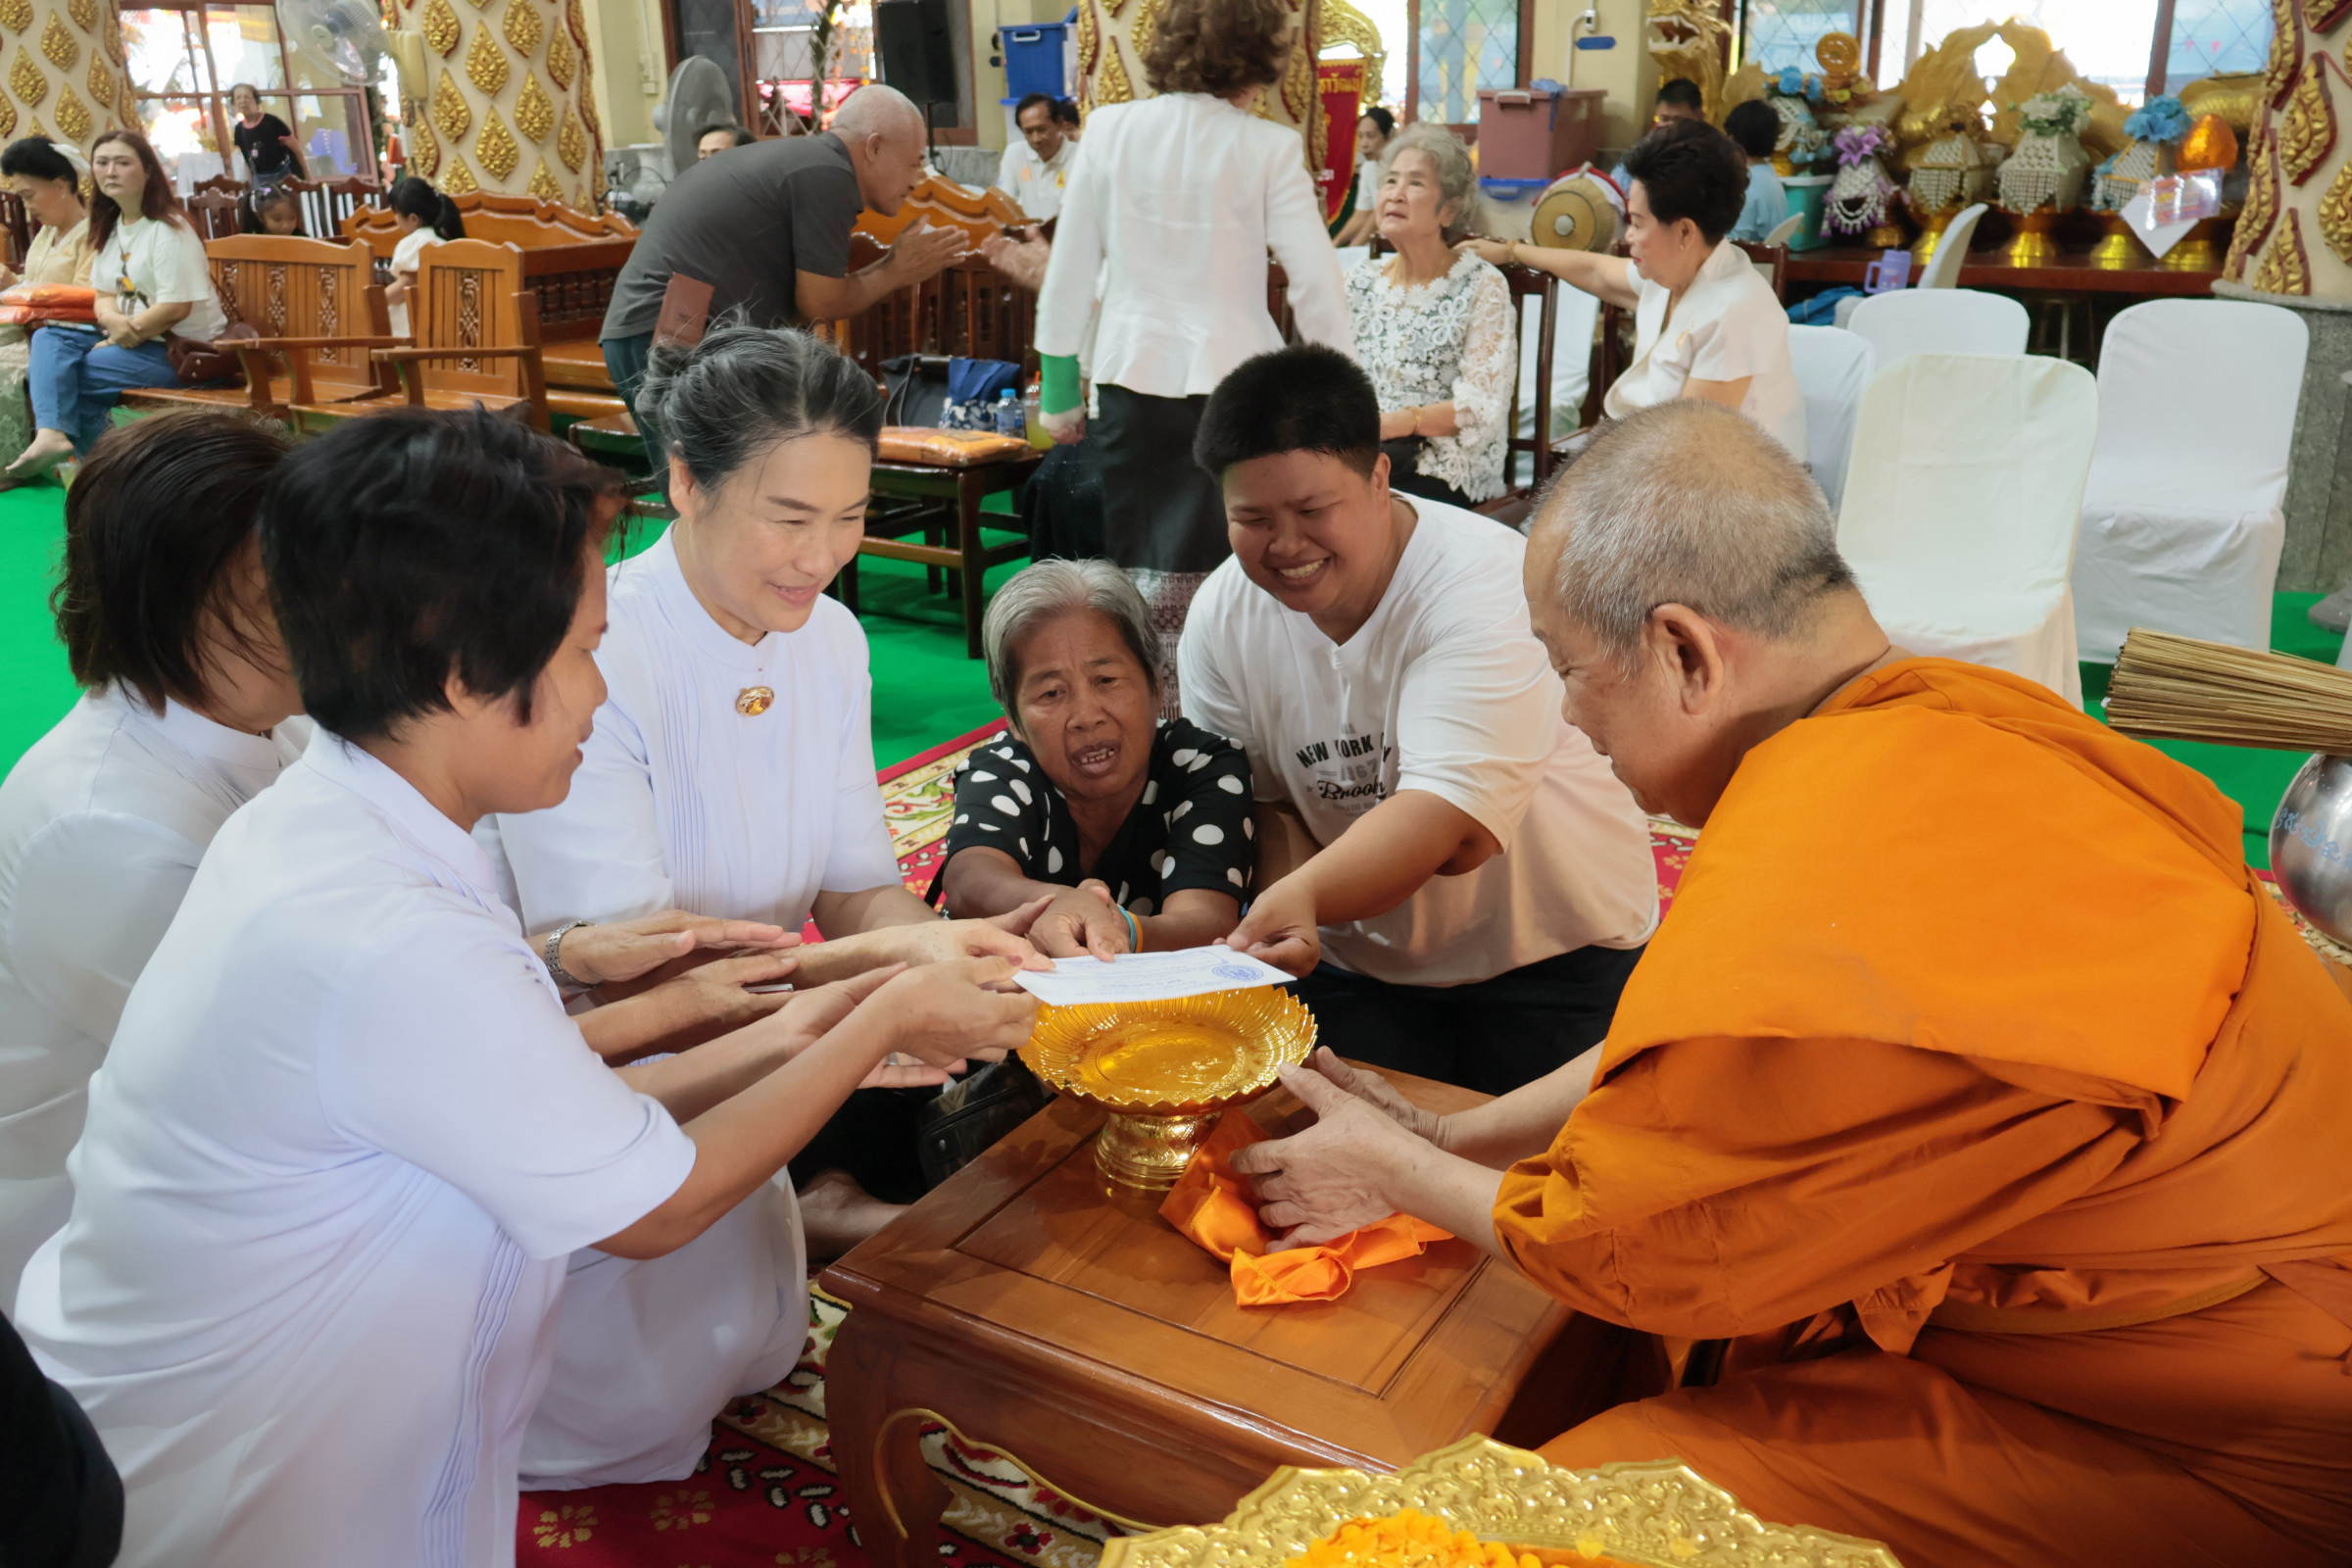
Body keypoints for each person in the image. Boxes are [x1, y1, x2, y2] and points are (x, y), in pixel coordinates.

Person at [1220, 398, 2352, 1568]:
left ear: (1684, 653)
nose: (1568, 713)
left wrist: (1395, 1169)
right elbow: (1721, 1028)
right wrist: (1455, 1132)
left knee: (1520, 1529)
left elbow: (1639, 1247)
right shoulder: (1953, 713)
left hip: (2218, 1422)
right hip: (2165, 1322)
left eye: (1570, 671)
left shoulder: (1830, 823)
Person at [15, 407, 1039, 1568]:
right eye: (584, 652)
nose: (602, 694)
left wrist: (823, 1010)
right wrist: (878, 1023)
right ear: (465, 674)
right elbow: (655, 1202)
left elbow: (537, 1084)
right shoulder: (385, 927)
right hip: (245, 1476)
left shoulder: (343, 813)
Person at [490, 322, 1048, 1264]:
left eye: (849, 516)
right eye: (788, 518)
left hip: (785, 1025)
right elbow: (649, 971)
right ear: (686, 481)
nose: (819, 555)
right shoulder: (595, 653)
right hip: (631, 1079)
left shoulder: (829, 639)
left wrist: (951, 958)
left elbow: (854, 886)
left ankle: (823, 1200)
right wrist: (888, 993)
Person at [1179, 345, 1656, 1093]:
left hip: (1556, 958)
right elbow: (1267, 799)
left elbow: (1453, 829)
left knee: (1541, 1190)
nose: (1286, 545)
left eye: (1312, 510)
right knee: (1338, 1177)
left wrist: (1303, 898)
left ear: (1377, 479)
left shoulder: (1488, 582)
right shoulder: (1222, 617)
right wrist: (1288, 918)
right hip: (1362, 967)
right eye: (1252, 518)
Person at [1035, 0, 1351, 699]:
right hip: (1236, 385)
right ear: (1259, 60)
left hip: (1129, 376)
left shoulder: (1110, 130)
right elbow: (1317, 283)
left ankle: (1155, 719)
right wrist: (1341, 402)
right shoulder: (1266, 146)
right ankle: (1238, 717)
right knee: (1238, 559)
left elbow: (1071, 270)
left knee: (1141, 562)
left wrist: (1059, 386)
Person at [600, 84, 965, 454]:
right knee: (709, 482)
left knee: (716, 479)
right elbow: (820, 304)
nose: (916, 180)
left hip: (659, 326)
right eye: (915, 162)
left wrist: (891, 264)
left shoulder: (809, 162)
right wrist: (896, 270)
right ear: (874, 146)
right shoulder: (829, 173)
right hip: (670, 331)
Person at [934, 559, 1255, 955]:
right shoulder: (1004, 771)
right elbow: (969, 881)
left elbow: (1206, 922)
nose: (1086, 717)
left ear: (1157, 686)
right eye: (1051, 693)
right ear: (1012, 718)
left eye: (1106, 681)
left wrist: (1116, 931)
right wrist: (1064, 903)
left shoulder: (1202, 765)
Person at [1473, 121, 1803, 460]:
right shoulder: (1674, 272)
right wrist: (1512, 250)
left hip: (1730, 492)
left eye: (1638, 223)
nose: (1627, 235)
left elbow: (1689, 449)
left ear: (1685, 233)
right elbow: (1596, 271)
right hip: (1653, 463)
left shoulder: (1737, 310)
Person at [7, 130, 229, 478]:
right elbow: (105, 295)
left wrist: (125, 333)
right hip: (133, 340)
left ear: (148, 172)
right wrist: (112, 322)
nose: (111, 171)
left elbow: (176, 308)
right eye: (102, 162)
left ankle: (116, 475)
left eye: (123, 163)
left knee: (74, 376)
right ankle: (57, 438)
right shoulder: (110, 228)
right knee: (48, 338)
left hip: (183, 352)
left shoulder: (169, 229)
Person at [1345, 124, 1511, 508]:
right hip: (1365, 452)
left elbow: (1479, 405)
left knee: (1351, 509)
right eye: (1390, 181)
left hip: (1438, 462)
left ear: (1450, 209)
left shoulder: (1481, 284)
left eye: (1415, 183)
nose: (1395, 194)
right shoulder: (1360, 280)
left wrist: (1395, 423)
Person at [0, 137, 90, 473]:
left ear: (61, 185)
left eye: (29, 196)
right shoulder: (46, 234)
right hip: (31, 329)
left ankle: (10, 466)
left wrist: (17, 287)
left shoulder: (93, 233)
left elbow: (86, 300)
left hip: (67, 337)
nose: (27, 207)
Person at [384, 174, 464, 339]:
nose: (395, 219)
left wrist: (372, 302)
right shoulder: (441, 238)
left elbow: (406, 286)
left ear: (413, 218)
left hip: (418, 333)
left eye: (397, 214)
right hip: (451, 326)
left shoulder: (417, 242)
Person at [995, 92, 1078, 221]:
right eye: (1028, 132)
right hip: (1027, 236)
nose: (1036, 139)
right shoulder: (1014, 153)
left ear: (1060, 123)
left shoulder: (1079, 156)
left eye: (1042, 130)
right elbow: (1005, 203)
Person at [1609, 76, 1703, 186]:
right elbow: (1615, 194)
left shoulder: (1711, 155)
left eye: (1679, 120)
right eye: (1664, 119)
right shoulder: (1641, 155)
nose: (1670, 127)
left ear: (1699, 117)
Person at [1723, 99, 1788, 242]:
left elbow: (1735, 242)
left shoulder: (1747, 184)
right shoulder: (1768, 174)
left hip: (1748, 260)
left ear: (1732, 137)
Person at [1332, 105, 1395, 246]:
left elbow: (1379, 212)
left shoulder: (1397, 166)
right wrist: (1334, 244)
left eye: (1370, 136)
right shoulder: (1369, 167)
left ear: (1389, 135)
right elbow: (1361, 215)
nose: (1363, 144)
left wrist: (1352, 248)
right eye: (1360, 136)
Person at [227, 82, 304, 184]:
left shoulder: (272, 122)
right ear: (234, 104)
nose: (242, 101)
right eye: (238, 97)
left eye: (246, 97)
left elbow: (297, 150)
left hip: (284, 178)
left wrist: (308, 180)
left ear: (256, 101)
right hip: (261, 182)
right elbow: (247, 162)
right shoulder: (239, 130)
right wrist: (251, 188)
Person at [237, 184, 303, 236]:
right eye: (277, 219)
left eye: (292, 218)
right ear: (261, 217)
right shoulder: (251, 242)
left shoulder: (302, 241)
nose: (286, 226)